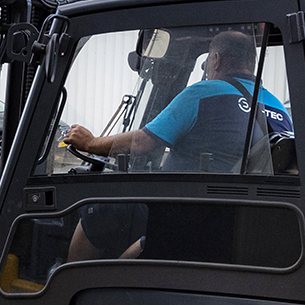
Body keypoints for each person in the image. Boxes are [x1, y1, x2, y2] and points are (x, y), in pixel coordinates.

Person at [61, 29, 291, 263]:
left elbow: (144, 142)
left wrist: (91, 143)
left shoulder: (203, 93)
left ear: (216, 59)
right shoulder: (279, 109)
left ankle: (73, 276)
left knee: (101, 208)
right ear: (251, 63)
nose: (205, 69)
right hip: (240, 219)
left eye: (207, 62)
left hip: (191, 214)